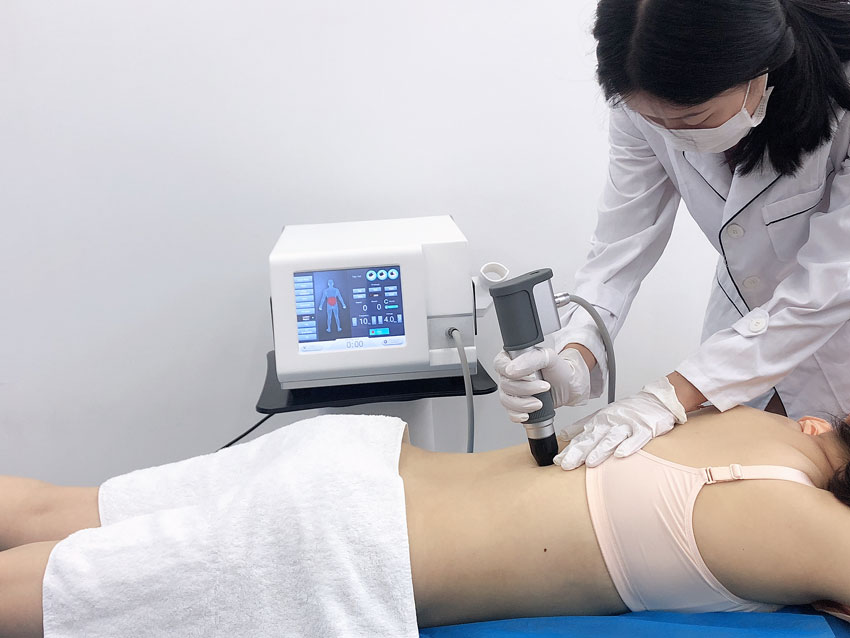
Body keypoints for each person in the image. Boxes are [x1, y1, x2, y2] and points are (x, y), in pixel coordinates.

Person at [3, 406, 850, 637]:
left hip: (351, 458)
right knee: (42, 595)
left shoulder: (753, 419)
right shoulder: (811, 530)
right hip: (341, 545)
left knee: (53, 509)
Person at [495, 0, 850, 471]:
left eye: (694, 120)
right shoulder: (641, 103)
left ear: (760, 67)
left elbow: (830, 283)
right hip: (741, 328)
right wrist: (575, 352)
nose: (673, 136)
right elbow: (620, 248)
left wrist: (667, 396)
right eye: (654, 121)